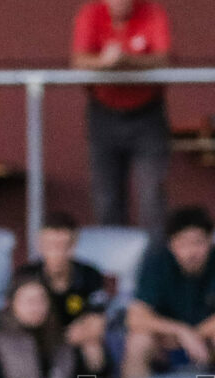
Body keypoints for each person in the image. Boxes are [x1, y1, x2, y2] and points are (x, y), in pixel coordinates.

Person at [72, 0, 172, 243]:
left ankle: (154, 267)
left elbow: (163, 59)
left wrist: (124, 60)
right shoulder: (91, 13)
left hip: (147, 113)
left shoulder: (151, 12)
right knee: (107, 198)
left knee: (152, 198)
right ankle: (113, 272)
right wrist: (104, 62)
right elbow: (79, 61)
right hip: (103, 112)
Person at [123, 206, 215, 378]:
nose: (191, 252)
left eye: (198, 242)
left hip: (205, 340)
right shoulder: (157, 263)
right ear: (171, 244)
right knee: (138, 342)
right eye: (183, 244)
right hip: (165, 342)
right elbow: (135, 317)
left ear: (210, 241)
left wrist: (193, 335)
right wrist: (180, 331)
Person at [16, 211, 110, 374]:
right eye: (50, 246)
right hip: (35, 342)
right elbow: (17, 321)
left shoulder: (89, 275)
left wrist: (67, 337)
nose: (57, 252)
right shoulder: (26, 275)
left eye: (64, 246)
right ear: (40, 245)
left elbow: (97, 325)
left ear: (74, 245)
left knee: (93, 347)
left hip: (76, 341)